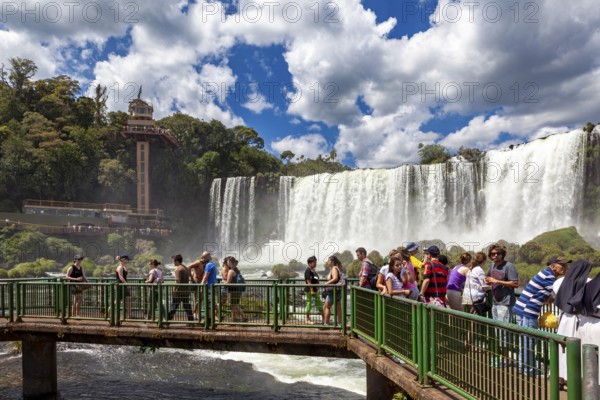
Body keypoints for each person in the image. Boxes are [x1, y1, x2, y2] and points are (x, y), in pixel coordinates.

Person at [513, 255, 570, 375]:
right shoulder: (549, 277)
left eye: (566, 265)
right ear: (553, 266)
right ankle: (528, 370)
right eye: (563, 265)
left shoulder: (546, 273)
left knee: (525, 341)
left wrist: (549, 296)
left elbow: (552, 294)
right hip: (528, 311)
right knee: (528, 341)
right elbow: (560, 294)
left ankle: (522, 367)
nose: (566, 267)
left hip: (522, 309)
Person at [484, 244, 519, 367]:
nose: (495, 256)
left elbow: (515, 284)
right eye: (493, 254)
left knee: (504, 331)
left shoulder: (509, 267)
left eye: (498, 253)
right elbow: (489, 277)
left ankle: (506, 358)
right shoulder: (493, 265)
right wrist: (487, 281)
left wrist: (497, 281)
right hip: (495, 302)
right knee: (498, 331)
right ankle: (503, 357)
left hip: (506, 303)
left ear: (502, 254)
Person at [167, 254, 194, 324]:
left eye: (173, 261)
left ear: (176, 261)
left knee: (173, 307)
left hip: (179, 291)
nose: (173, 263)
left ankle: (167, 321)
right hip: (186, 291)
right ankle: (191, 322)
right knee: (187, 306)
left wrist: (174, 290)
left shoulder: (178, 269)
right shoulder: (185, 267)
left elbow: (177, 281)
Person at [225, 257, 248, 322]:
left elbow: (228, 282)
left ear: (229, 262)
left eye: (227, 261)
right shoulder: (236, 269)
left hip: (234, 290)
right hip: (238, 290)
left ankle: (235, 319)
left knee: (233, 305)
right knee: (235, 305)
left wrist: (223, 284)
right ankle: (240, 317)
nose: (227, 263)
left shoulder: (231, 271)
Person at [323, 255, 343, 326]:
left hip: (332, 291)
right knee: (338, 308)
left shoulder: (334, 268)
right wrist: (328, 278)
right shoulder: (336, 268)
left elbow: (335, 278)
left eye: (328, 261)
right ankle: (340, 324)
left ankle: (326, 323)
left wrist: (326, 283)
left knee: (327, 307)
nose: (327, 262)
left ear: (332, 262)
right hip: (337, 291)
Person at [304, 255, 324, 324]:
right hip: (310, 290)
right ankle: (307, 319)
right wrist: (312, 290)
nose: (315, 264)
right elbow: (308, 281)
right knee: (309, 304)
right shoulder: (308, 270)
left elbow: (315, 278)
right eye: (314, 262)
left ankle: (324, 319)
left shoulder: (313, 270)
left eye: (316, 262)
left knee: (319, 303)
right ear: (309, 263)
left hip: (315, 290)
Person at [199, 251, 218, 323]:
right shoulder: (213, 263)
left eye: (204, 258)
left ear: (207, 257)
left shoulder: (209, 265)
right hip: (213, 285)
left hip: (209, 286)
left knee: (209, 303)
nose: (203, 259)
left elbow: (206, 276)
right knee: (211, 302)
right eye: (202, 258)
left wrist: (201, 285)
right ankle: (212, 317)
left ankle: (209, 320)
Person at [187, 256, 205, 320]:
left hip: (200, 283)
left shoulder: (204, 264)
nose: (203, 259)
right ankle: (195, 314)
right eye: (203, 258)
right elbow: (188, 267)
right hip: (194, 282)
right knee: (197, 299)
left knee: (200, 299)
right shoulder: (198, 262)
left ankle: (195, 313)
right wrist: (191, 277)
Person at [115, 254, 132, 319]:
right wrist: (127, 284)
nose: (128, 261)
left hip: (124, 285)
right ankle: (108, 312)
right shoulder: (120, 267)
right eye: (127, 260)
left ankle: (129, 315)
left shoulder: (124, 267)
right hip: (120, 285)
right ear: (123, 260)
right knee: (117, 301)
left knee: (128, 299)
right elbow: (121, 277)